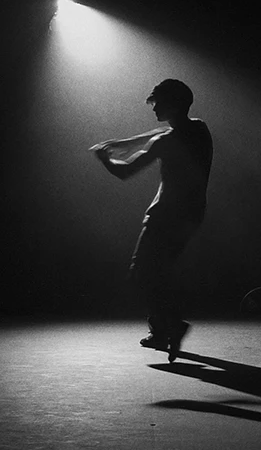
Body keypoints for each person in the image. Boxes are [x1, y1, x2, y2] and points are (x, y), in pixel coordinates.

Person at [90, 79, 213, 362]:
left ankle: (171, 324)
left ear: (174, 104)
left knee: (141, 274)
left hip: (164, 216)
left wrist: (104, 157)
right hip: (192, 215)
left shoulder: (165, 142)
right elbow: (161, 133)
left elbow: (125, 172)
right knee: (158, 272)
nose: (154, 106)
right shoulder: (199, 129)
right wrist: (124, 143)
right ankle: (161, 330)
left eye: (159, 102)